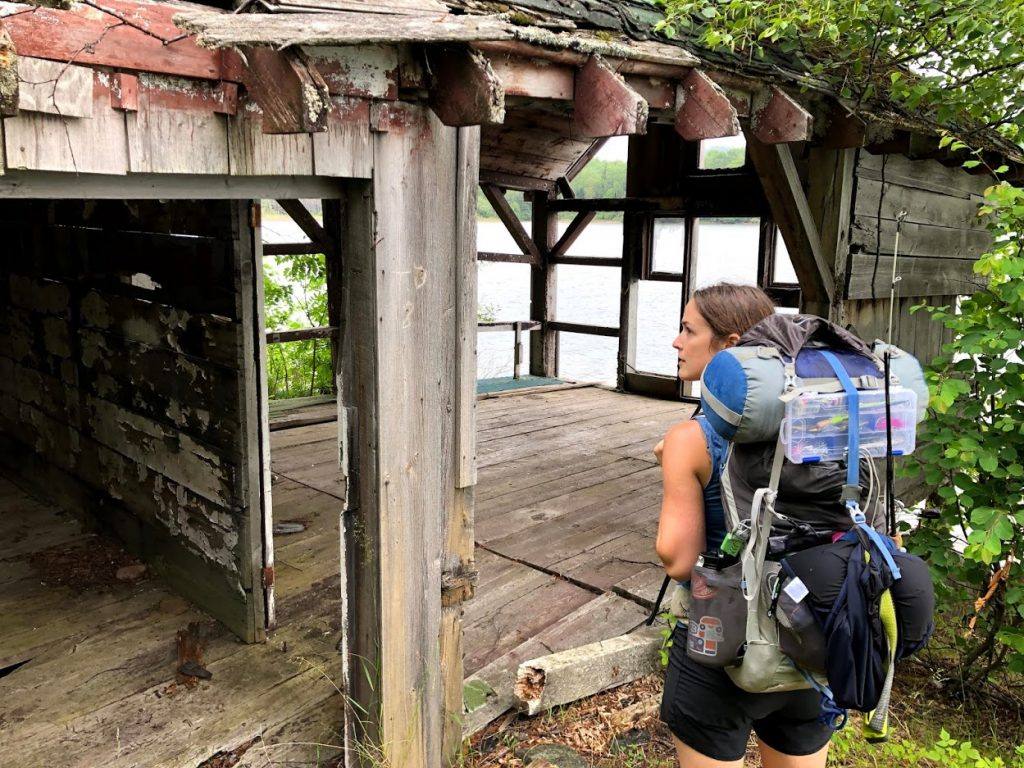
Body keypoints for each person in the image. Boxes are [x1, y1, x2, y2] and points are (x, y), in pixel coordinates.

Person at [653, 283, 833, 768]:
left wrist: (676, 468)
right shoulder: (818, 424)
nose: (676, 342)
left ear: (730, 346)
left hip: (722, 645)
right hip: (810, 637)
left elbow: (678, 557)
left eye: (688, 330)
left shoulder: (690, 438)